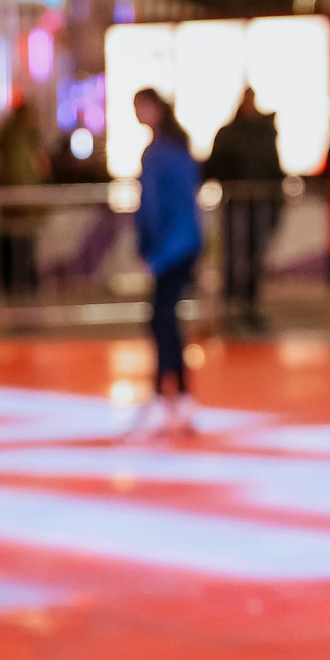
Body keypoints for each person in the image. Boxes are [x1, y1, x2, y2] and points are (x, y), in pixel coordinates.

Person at [130, 88, 204, 437]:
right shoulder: (177, 148)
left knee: (161, 320)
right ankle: (179, 397)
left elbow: (154, 207)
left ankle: (167, 395)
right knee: (165, 319)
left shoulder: (159, 153)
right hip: (183, 244)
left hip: (171, 248)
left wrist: (151, 249)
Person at [203, 89, 286, 333]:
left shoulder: (261, 133)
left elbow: (273, 168)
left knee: (253, 257)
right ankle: (233, 307)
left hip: (259, 203)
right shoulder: (235, 133)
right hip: (238, 203)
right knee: (235, 255)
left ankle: (248, 305)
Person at [0, 94, 50, 300]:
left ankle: (21, 288)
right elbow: (19, 174)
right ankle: (19, 288)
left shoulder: (25, 138)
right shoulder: (17, 140)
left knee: (23, 248)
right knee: (18, 248)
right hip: (19, 205)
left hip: (24, 204)